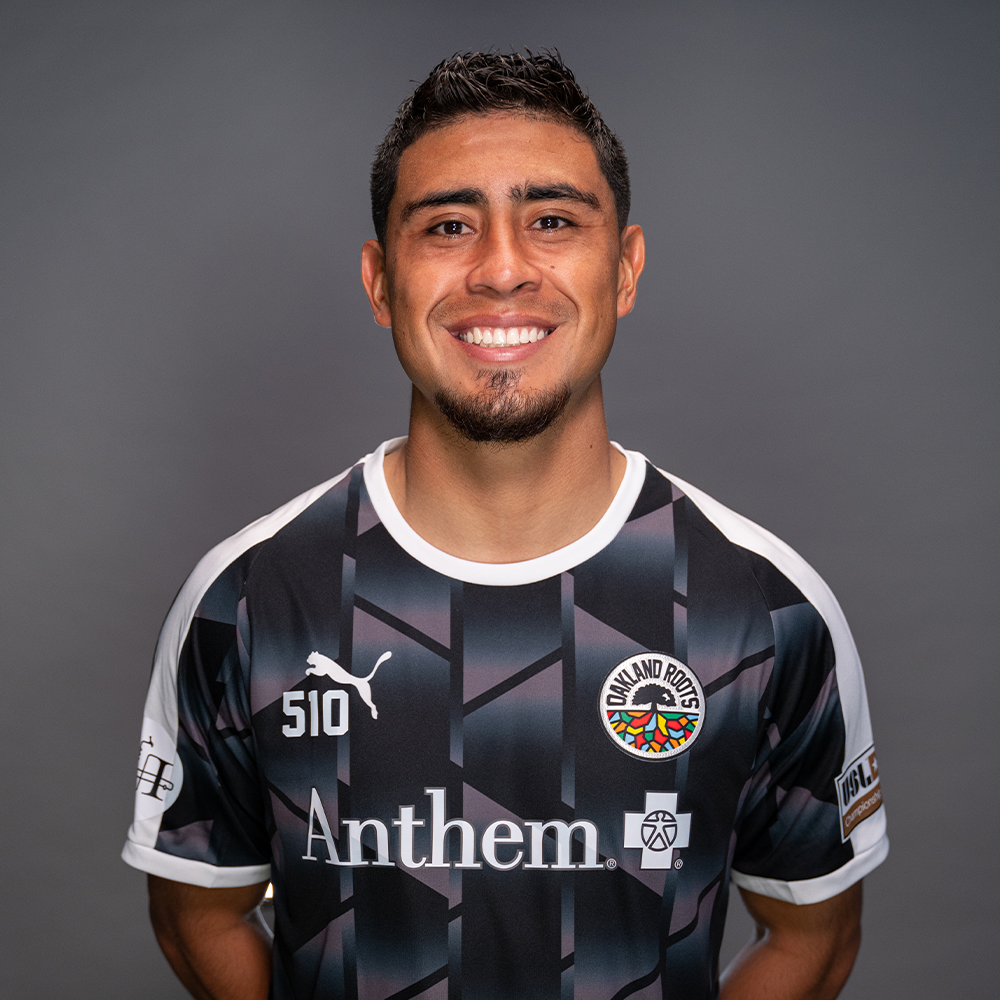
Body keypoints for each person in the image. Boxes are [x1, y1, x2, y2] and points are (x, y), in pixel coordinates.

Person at [123, 51, 888, 1000]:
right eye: (448, 225)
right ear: (379, 281)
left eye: (552, 221)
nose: (501, 269)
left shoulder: (764, 609)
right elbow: (196, 913)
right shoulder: (245, 600)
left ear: (626, 269)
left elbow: (814, 937)